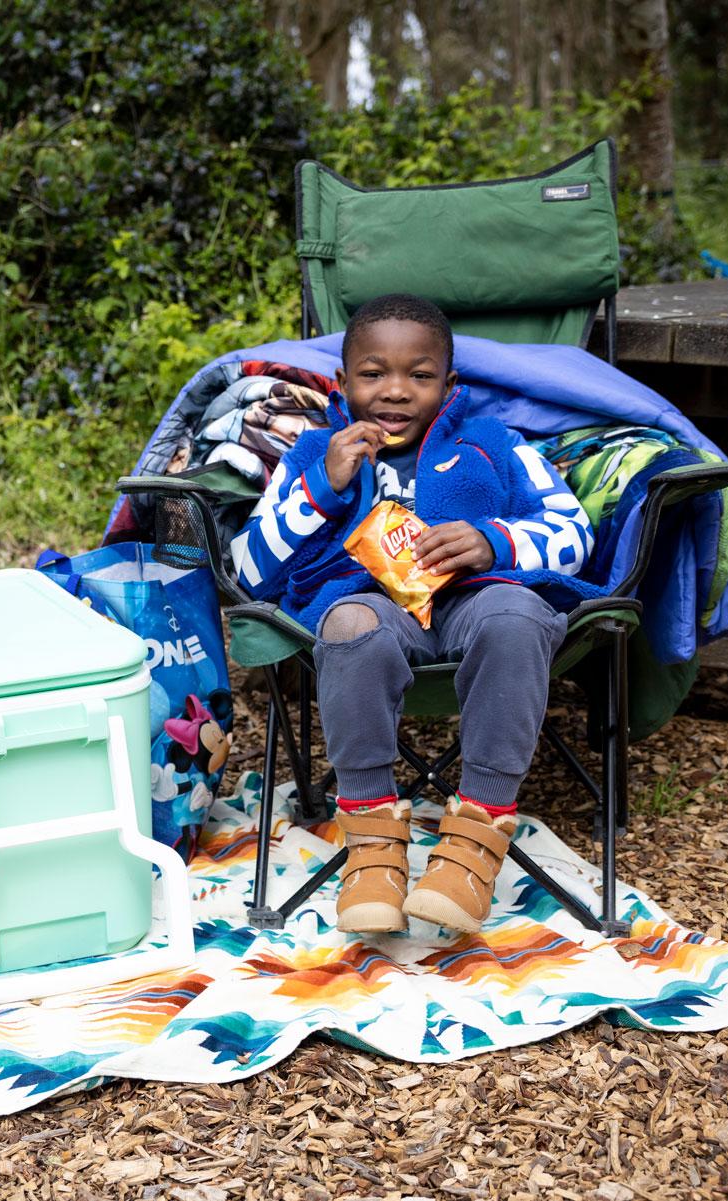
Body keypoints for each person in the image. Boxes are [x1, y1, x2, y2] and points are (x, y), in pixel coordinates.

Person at [228, 294, 596, 937]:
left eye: (419, 376)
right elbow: (250, 570)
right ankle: (372, 848)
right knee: (347, 626)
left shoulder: (494, 445)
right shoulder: (314, 455)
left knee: (519, 614)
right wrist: (323, 488)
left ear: (449, 384)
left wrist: (495, 540)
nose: (396, 391)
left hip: (474, 600)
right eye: (374, 374)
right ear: (343, 384)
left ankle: (475, 845)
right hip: (372, 608)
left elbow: (573, 531)